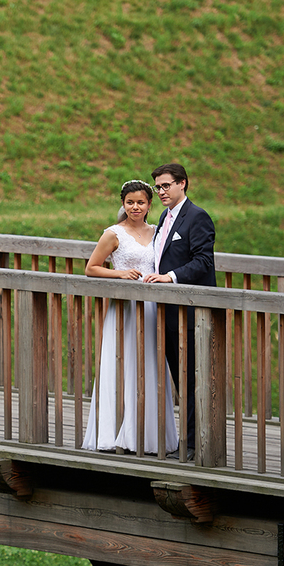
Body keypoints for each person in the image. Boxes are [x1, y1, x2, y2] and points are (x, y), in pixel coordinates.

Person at [82, 180, 178, 455]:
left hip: (152, 308)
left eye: (141, 202)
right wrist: (120, 273)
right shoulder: (113, 234)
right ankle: (113, 434)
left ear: (149, 204)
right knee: (121, 364)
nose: (135, 207)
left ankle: (149, 437)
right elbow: (92, 268)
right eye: (130, 202)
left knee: (151, 366)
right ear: (123, 204)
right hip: (124, 308)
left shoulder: (159, 231)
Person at [143, 163, 216, 461]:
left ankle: (194, 445)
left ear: (182, 183)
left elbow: (203, 261)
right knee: (179, 377)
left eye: (166, 185)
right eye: (158, 187)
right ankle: (187, 441)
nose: (161, 192)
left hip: (191, 311)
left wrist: (170, 277)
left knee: (193, 379)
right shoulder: (165, 216)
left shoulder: (197, 217)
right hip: (169, 312)